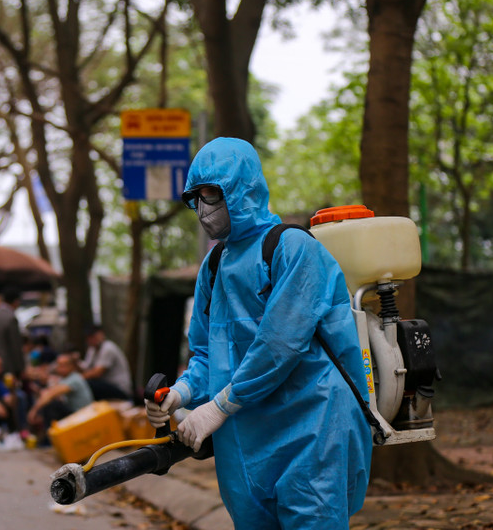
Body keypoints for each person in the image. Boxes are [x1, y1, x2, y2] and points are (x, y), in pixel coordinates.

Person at [145, 137, 372, 530]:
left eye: (212, 194)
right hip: (245, 439)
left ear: (242, 188)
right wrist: (180, 393)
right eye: (195, 198)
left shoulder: (292, 248)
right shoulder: (214, 264)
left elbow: (279, 345)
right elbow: (205, 354)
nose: (204, 209)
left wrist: (216, 407)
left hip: (312, 426)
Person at [26, 353, 94, 434]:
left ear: (71, 366)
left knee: (52, 406)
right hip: (74, 412)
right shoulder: (64, 378)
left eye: (63, 365)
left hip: (82, 414)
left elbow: (51, 394)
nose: (59, 368)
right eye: (58, 365)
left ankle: (50, 437)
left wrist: (34, 410)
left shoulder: (74, 379)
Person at [0, 286, 26, 378]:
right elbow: (15, 345)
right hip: (6, 366)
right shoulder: (11, 318)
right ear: (16, 301)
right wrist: (20, 368)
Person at [82, 326, 132, 401]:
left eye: (93, 336)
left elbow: (97, 373)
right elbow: (85, 368)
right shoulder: (92, 350)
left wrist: (77, 378)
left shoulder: (108, 348)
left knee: (87, 384)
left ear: (101, 335)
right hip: (106, 386)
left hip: (119, 388)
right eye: (89, 337)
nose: (91, 339)